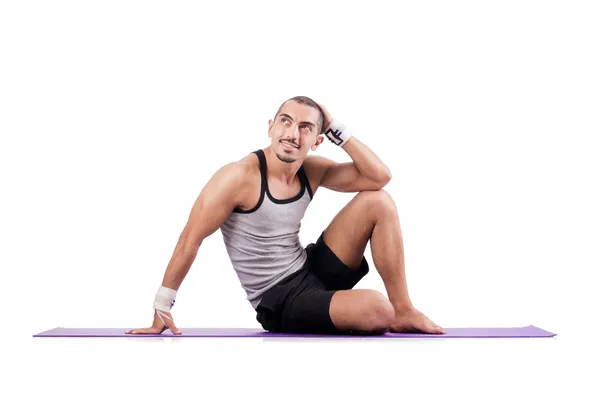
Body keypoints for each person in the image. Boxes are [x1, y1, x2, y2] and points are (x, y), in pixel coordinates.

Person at [126, 96, 444, 335]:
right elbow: (189, 240)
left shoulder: (312, 169)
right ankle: (375, 311)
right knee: (377, 310)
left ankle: (405, 310)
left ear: (318, 141)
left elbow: (379, 177)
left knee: (379, 201)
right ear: (271, 127)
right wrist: (161, 305)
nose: (293, 134)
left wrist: (338, 129)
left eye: (306, 127)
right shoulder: (237, 177)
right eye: (286, 121)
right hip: (278, 300)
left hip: (308, 268)